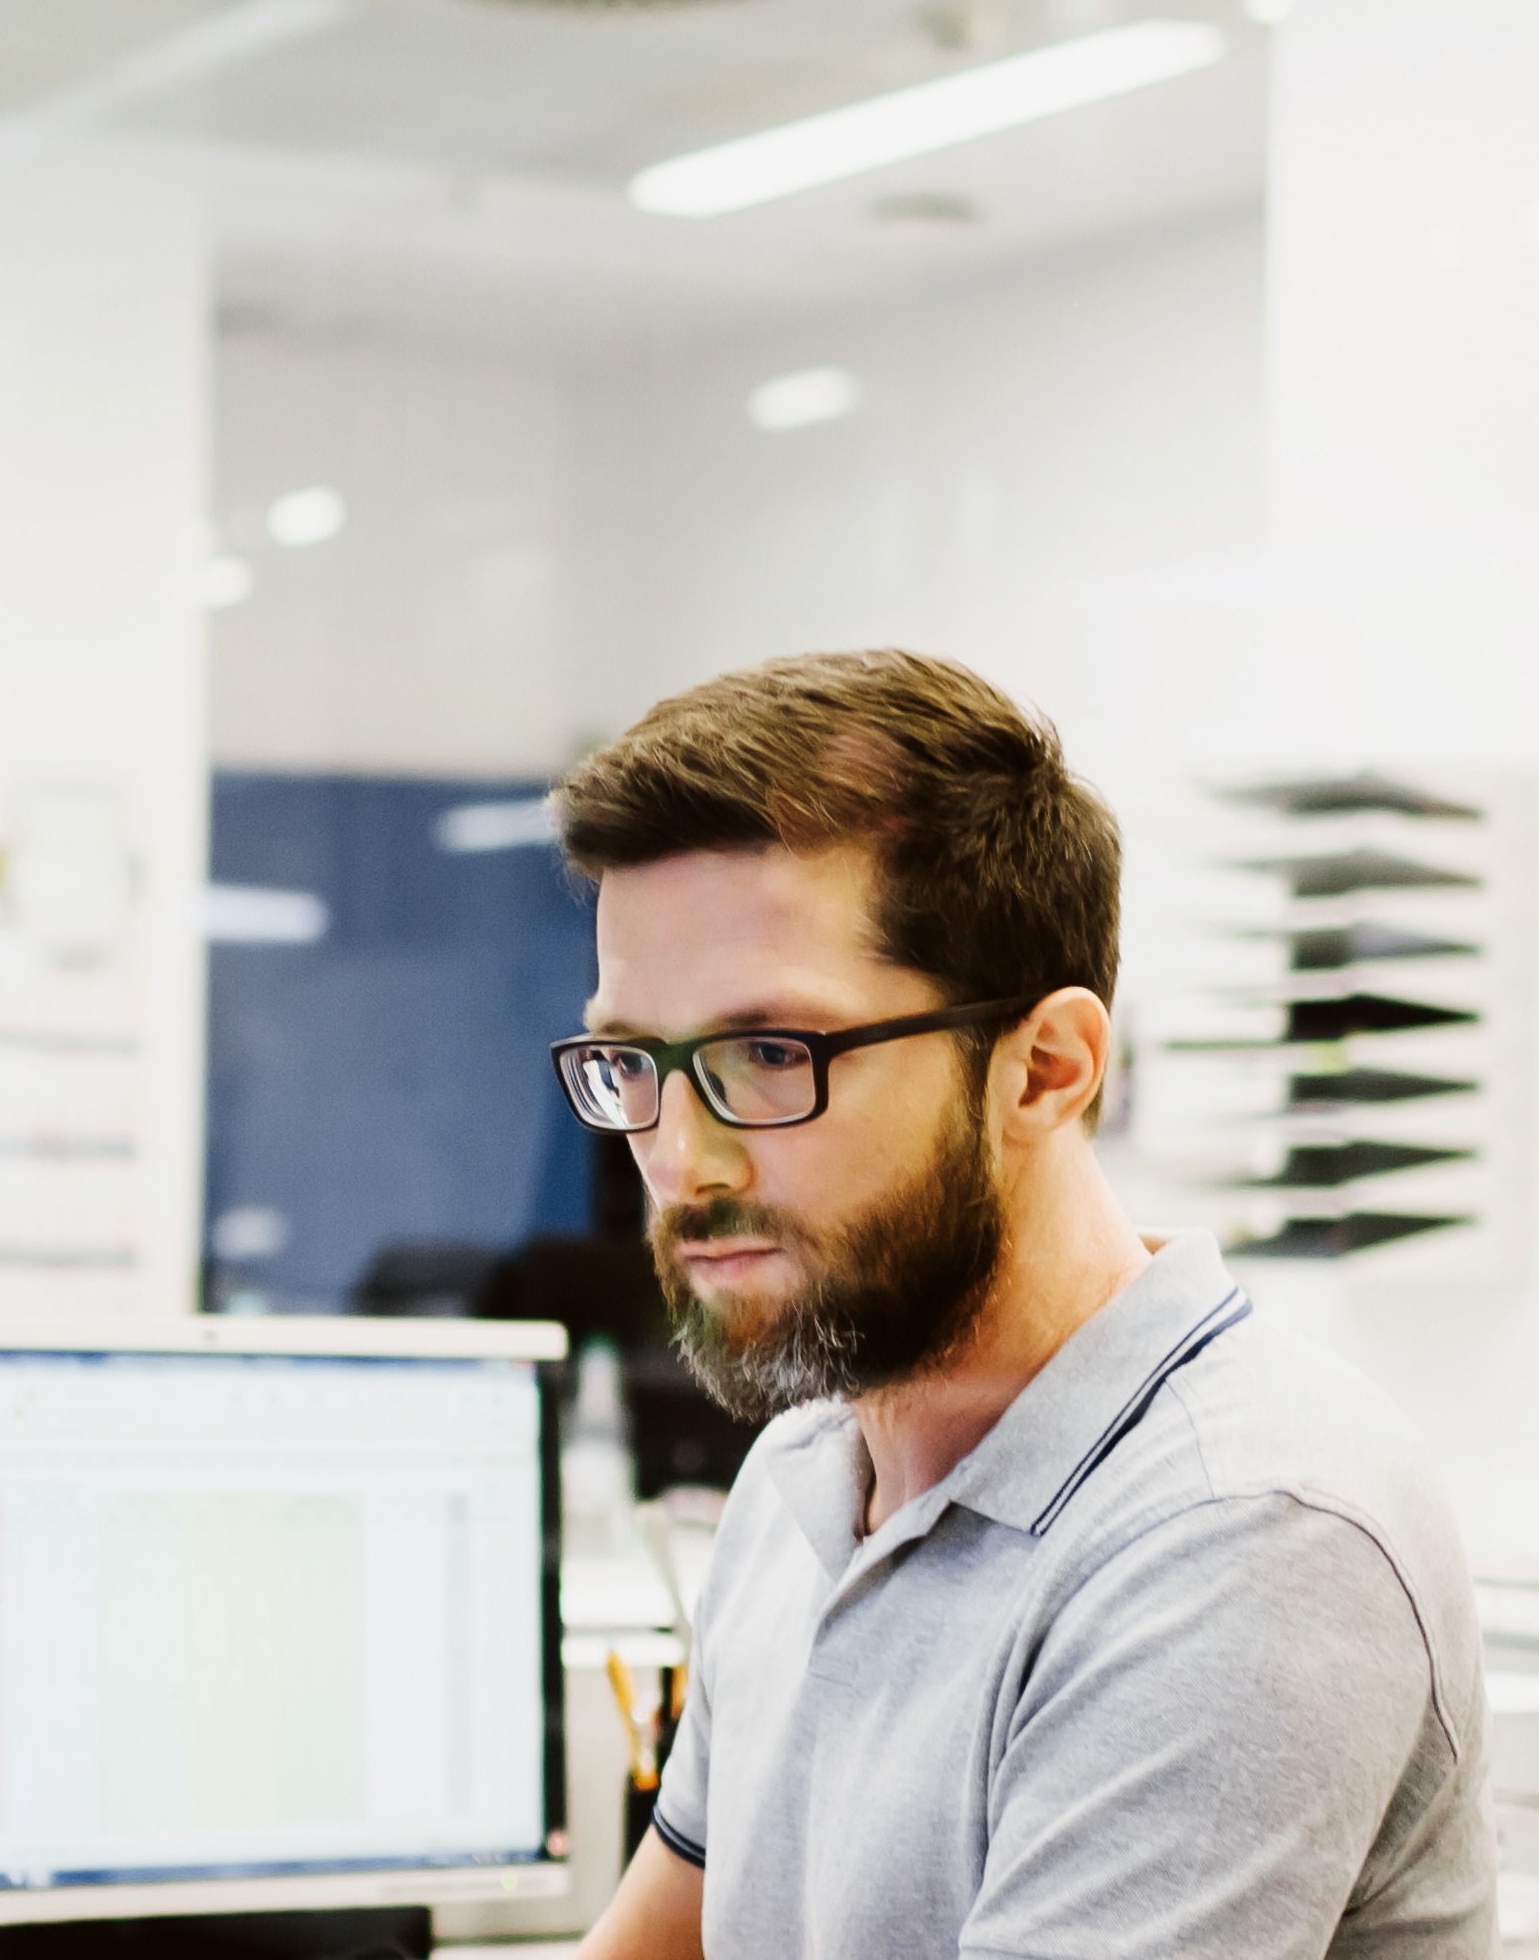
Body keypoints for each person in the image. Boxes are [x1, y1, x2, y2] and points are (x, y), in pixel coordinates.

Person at [553, 651, 1490, 1960]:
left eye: (768, 1055)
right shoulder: (807, 1473)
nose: (679, 1161)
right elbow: (663, 1940)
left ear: (1045, 1070)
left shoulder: (1240, 1536)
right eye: (632, 1063)